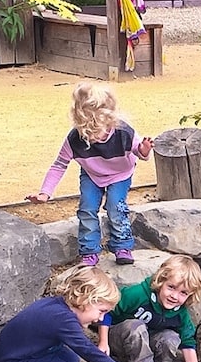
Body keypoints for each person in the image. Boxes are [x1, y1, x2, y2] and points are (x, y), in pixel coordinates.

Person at [26, 81, 153, 266]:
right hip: (92, 174)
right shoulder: (75, 138)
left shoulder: (124, 132)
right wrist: (45, 193)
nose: (93, 137)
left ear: (109, 121)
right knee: (87, 209)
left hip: (120, 174)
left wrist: (144, 149)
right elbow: (59, 164)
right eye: (88, 132)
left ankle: (122, 245)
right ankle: (89, 250)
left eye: (97, 131)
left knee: (115, 206)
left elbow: (142, 154)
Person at [0, 265, 150, 362]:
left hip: (27, 353)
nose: (101, 318)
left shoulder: (58, 306)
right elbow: (86, 349)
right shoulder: (63, 320)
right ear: (85, 300)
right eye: (101, 311)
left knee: (71, 358)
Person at [97, 255, 201, 362]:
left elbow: (188, 343)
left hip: (147, 341)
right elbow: (108, 311)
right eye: (171, 287)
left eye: (183, 293)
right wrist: (103, 342)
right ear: (161, 281)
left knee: (172, 337)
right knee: (136, 326)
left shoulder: (180, 313)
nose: (174, 296)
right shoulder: (137, 294)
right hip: (121, 338)